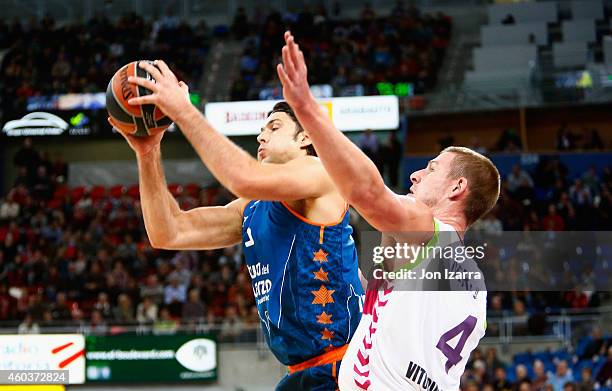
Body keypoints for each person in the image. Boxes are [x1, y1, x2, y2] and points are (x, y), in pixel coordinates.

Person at [113, 61, 363, 390]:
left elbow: (241, 177)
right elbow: (168, 232)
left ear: (305, 138)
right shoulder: (252, 207)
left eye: (274, 127)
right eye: (263, 128)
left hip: (345, 367)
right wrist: (148, 152)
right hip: (301, 373)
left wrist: (185, 112)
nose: (261, 134)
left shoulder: (319, 172)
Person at [276, 31, 500, 390]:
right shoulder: (474, 286)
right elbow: (380, 306)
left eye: (430, 169)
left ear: (457, 188)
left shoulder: (430, 232)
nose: (415, 174)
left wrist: (306, 109)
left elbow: (369, 192)